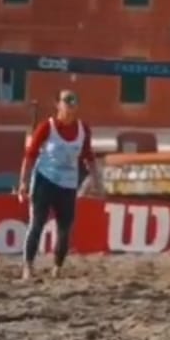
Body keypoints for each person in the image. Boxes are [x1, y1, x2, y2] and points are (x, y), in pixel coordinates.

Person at [17, 89, 101, 279]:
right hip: (44, 180)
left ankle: (57, 268)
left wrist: (97, 182)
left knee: (65, 229)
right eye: (67, 100)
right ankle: (28, 267)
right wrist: (23, 182)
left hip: (68, 185)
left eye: (74, 100)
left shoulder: (83, 129)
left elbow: (89, 157)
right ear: (58, 104)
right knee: (37, 224)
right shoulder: (47, 127)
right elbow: (30, 155)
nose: (71, 104)